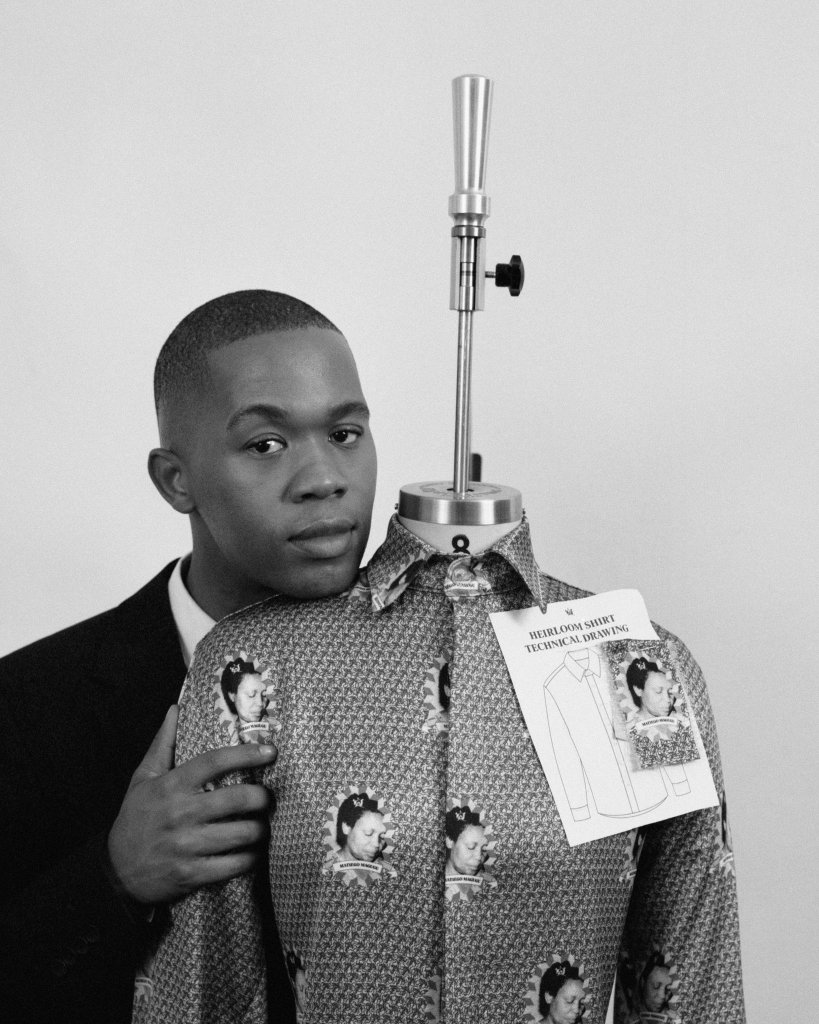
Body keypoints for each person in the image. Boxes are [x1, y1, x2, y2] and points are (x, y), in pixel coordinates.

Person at [0, 289, 377, 1024]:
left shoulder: (447, 675)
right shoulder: (26, 708)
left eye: (344, 433)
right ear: (177, 480)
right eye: (265, 445)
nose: (324, 479)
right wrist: (114, 878)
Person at [336, 794, 386, 863]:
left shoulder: (385, 867)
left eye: (382, 837)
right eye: (368, 834)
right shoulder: (326, 866)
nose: (376, 844)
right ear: (346, 827)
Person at [445, 806, 487, 877]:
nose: (479, 857)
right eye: (471, 847)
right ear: (449, 841)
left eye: (484, 849)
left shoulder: (491, 881)